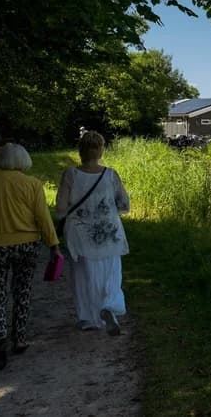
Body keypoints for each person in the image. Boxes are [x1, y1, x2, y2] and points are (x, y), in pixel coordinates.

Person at [0, 143, 60, 370]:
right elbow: (42, 217)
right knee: (22, 290)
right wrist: (53, 244)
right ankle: (19, 338)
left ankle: (0, 337)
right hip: (27, 245)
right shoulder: (33, 184)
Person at [56, 132, 130, 336]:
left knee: (83, 276)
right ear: (101, 151)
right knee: (111, 273)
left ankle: (88, 319)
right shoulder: (110, 174)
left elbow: (61, 208)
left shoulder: (70, 174)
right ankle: (109, 306)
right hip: (109, 233)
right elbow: (124, 204)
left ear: (80, 151)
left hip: (80, 233)